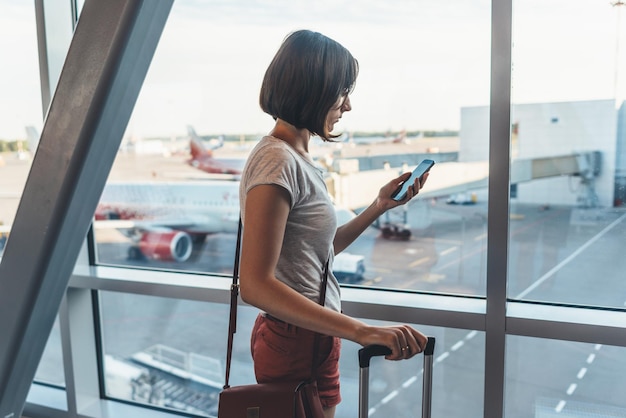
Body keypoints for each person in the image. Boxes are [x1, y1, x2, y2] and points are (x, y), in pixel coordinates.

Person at [238, 29, 429, 418]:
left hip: (313, 337)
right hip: (296, 341)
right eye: (342, 91)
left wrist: (377, 207)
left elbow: (316, 254)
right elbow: (255, 285)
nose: (348, 105)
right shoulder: (277, 161)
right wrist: (361, 331)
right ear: (313, 90)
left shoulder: (297, 157)